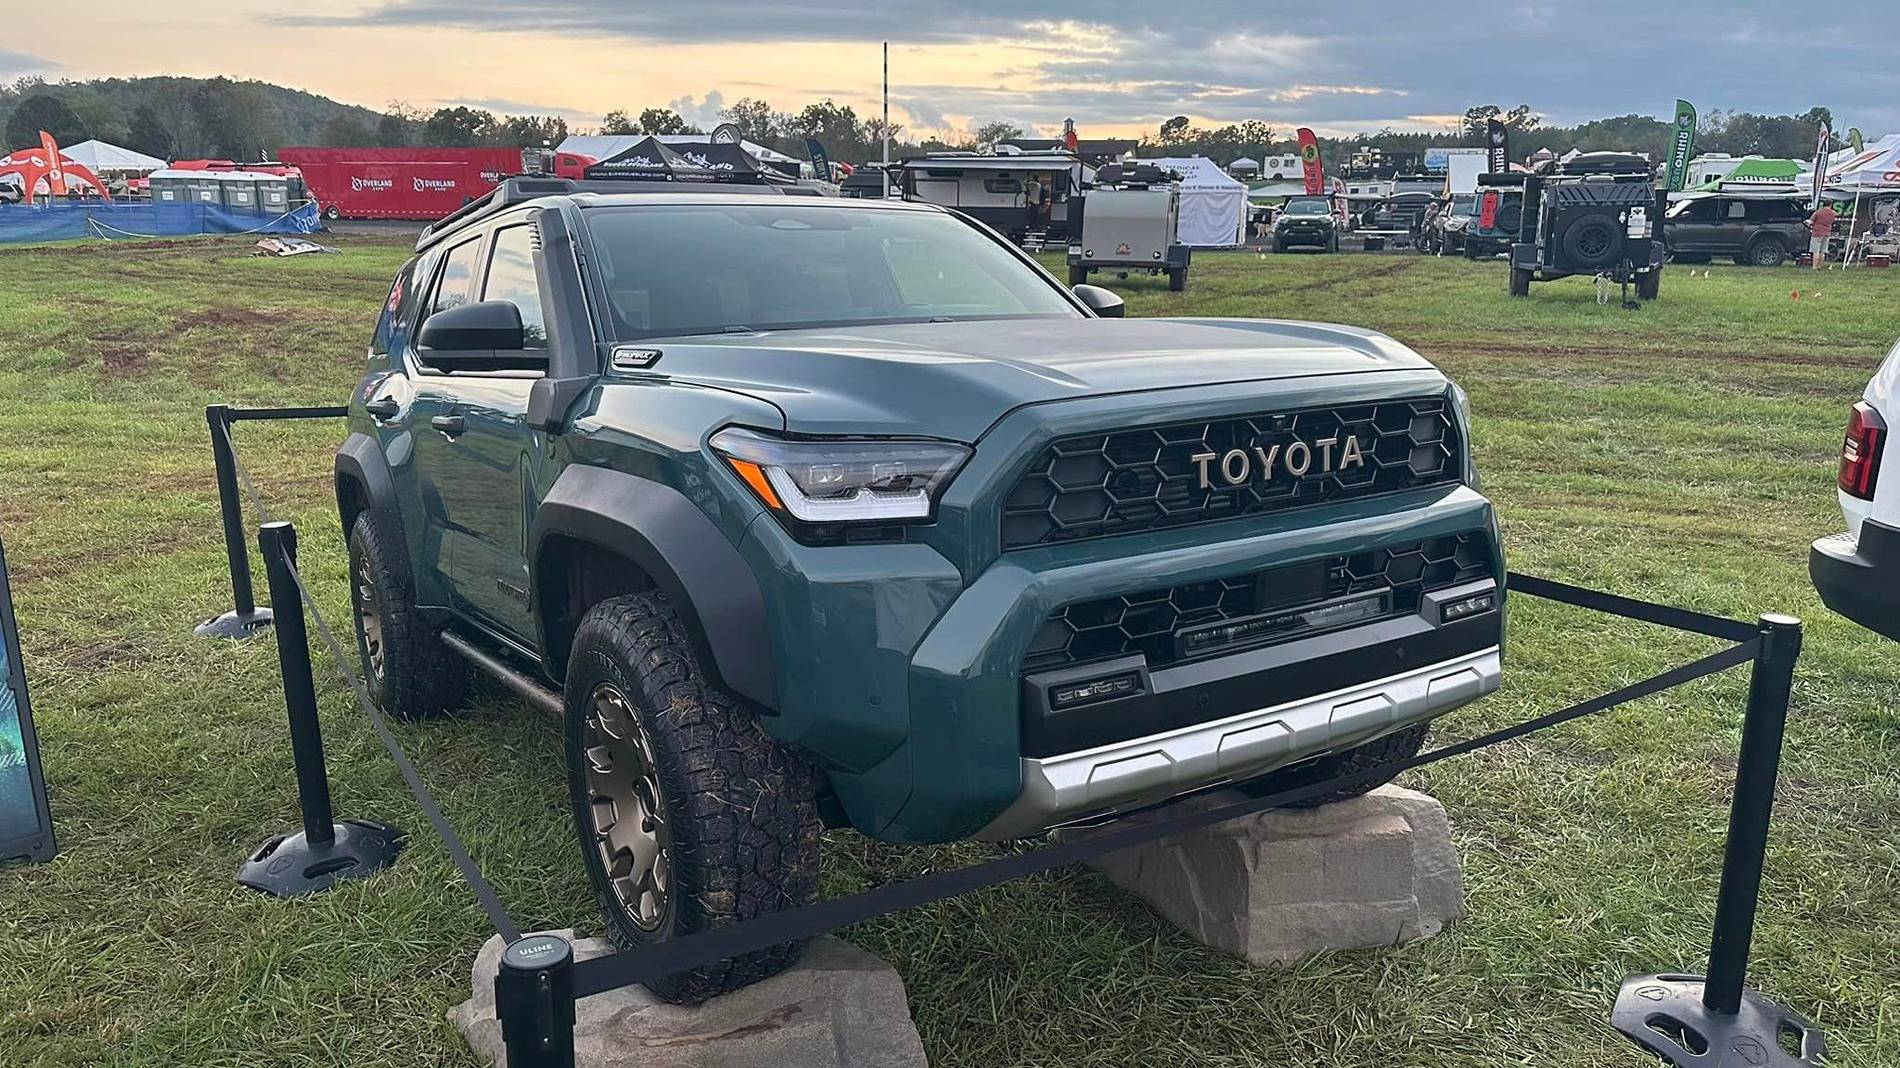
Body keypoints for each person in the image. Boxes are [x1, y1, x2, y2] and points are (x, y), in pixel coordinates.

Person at [1809, 202, 1838, 269]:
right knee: (1823, 251)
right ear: (1831, 205)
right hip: (1827, 233)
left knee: (1816, 251)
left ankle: (1814, 267)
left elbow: (1811, 222)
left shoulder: (1818, 212)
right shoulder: (1833, 213)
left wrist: (1810, 224)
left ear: (1823, 204)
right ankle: (1820, 266)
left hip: (1817, 233)